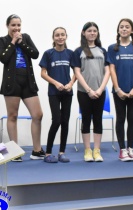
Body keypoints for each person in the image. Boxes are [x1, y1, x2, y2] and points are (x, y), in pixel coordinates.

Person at [0, 14, 44, 162]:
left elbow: (35, 54)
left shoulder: (26, 38)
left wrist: (21, 42)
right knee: (13, 116)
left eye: (18, 25)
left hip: (28, 82)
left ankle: (36, 150)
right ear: (8, 26)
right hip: (12, 82)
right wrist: (13, 42)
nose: (16, 28)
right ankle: (14, 151)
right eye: (13, 25)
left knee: (38, 114)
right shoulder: (3, 41)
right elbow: (3, 58)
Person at [107, 18, 133, 162]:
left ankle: (131, 149)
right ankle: (122, 150)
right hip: (119, 91)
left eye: (127, 27)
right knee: (121, 119)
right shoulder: (112, 48)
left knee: (132, 119)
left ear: (132, 30)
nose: (124, 29)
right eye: (121, 27)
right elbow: (111, 69)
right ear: (118, 30)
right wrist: (117, 89)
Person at [71, 22, 110, 162]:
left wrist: (100, 89)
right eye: (89, 31)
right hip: (84, 92)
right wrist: (88, 90)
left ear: (97, 33)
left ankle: (97, 151)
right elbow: (77, 72)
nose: (92, 33)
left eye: (95, 31)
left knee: (98, 120)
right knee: (86, 119)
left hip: (100, 92)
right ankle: (87, 150)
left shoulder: (103, 51)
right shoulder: (78, 51)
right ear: (83, 33)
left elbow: (108, 71)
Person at [39, 27, 76, 163]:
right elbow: (43, 73)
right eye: (57, 35)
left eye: (62, 35)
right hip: (54, 93)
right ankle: (48, 153)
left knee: (65, 121)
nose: (60, 37)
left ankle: (62, 152)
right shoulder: (48, 54)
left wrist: (71, 83)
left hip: (67, 92)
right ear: (53, 37)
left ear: (66, 36)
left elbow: (76, 72)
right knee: (56, 121)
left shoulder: (71, 54)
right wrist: (56, 83)